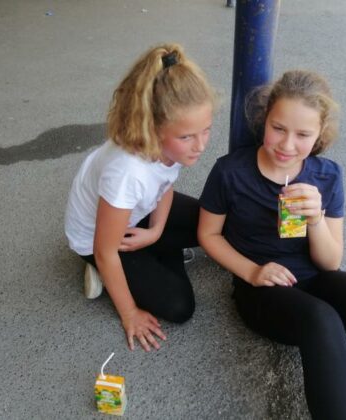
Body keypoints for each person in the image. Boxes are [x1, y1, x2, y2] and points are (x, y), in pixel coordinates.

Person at [198, 70, 346, 419]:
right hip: (261, 290)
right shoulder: (231, 172)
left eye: (303, 135)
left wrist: (316, 219)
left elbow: (330, 263)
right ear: (265, 119)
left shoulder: (327, 175)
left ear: (319, 134)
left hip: (314, 278)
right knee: (322, 320)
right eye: (278, 128)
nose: (287, 145)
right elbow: (208, 234)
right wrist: (252, 271)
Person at [65, 43, 215, 352]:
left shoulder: (170, 148)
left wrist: (156, 231)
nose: (200, 146)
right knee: (179, 306)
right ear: (154, 129)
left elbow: (164, 185)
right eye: (187, 136)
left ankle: (155, 250)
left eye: (206, 130)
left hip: (135, 213)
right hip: (99, 241)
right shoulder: (127, 172)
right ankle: (103, 274)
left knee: (210, 222)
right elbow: (105, 249)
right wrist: (129, 313)